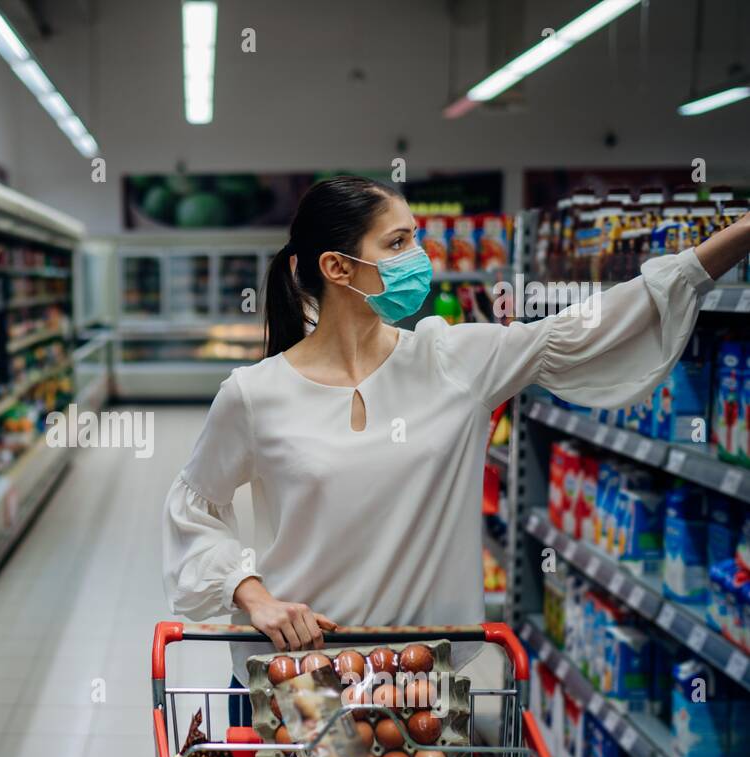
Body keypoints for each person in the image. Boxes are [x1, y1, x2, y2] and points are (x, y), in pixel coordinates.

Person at [162, 175, 750, 726]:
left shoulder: (453, 362)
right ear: (338, 267)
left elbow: (590, 326)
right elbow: (193, 508)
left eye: (417, 238)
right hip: (292, 679)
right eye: (399, 242)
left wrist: (728, 244)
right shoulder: (255, 394)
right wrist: (250, 591)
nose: (423, 259)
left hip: (421, 686)